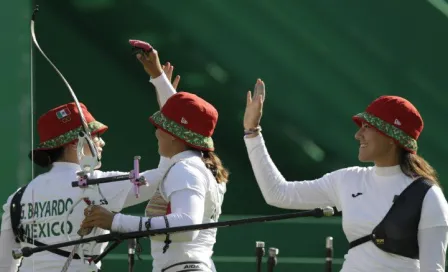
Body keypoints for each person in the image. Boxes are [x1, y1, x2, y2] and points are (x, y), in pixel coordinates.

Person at [243, 85, 448, 272]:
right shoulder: (347, 179)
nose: (358, 135)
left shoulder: (428, 195)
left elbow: (433, 269)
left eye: (368, 127)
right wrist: (252, 133)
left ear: (392, 137)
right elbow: (278, 193)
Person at [81, 42, 229, 272]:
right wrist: (159, 78)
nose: (157, 132)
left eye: (161, 126)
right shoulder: (193, 163)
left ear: (174, 136)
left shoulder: (186, 169)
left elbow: (187, 226)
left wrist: (115, 221)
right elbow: (186, 118)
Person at [0, 102, 176, 272]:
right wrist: (169, 107)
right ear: (75, 143)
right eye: (95, 136)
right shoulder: (97, 185)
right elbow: (165, 175)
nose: (101, 143)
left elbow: (4, 264)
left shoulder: (17, 198)